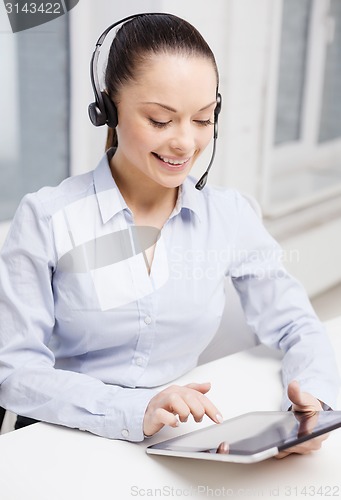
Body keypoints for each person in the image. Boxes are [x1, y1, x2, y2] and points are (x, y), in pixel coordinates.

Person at [0, 13, 339, 457]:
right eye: (161, 120)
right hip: (63, 441)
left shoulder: (230, 216)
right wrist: (131, 409)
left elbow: (298, 324)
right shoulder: (46, 217)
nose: (184, 142)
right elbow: (14, 370)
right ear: (108, 109)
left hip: (177, 439)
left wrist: (313, 407)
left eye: (203, 119)